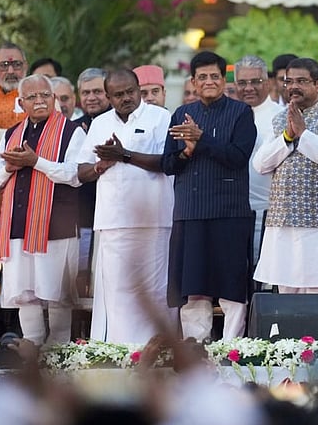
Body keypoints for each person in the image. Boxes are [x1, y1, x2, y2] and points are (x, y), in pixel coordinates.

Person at [162, 51, 257, 342]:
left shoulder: (241, 113)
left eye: (214, 76)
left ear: (223, 80)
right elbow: (168, 165)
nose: (208, 81)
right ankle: (195, 347)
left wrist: (201, 139)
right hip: (190, 212)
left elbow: (238, 157)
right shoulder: (180, 114)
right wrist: (187, 151)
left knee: (231, 286)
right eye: (202, 77)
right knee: (193, 288)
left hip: (229, 212)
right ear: (193, 81)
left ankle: (231, 347)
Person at [0, 75, 86, 346]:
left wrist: (36, 161)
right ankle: (32, 345)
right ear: (21, 103)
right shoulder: (10, 134)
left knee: (57, 295)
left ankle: (59, 350)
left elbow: (75, 174)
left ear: (53, 99)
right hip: (19, 225)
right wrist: (9, 167)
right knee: (25, 293)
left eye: (45, 95)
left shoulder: (72, 131)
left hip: (57, 226)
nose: (39, 101)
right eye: (32, 97)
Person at [77, 69, 176, 343]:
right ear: (108, 97)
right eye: (118, 95)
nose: (126, 98)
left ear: (138, 89)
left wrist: (125, 155)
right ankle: (118, 349)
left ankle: (156, 348)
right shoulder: (100, 123)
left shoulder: (160, 117)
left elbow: (167, 162)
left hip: (154, 218)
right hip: (113, 220)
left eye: (131, 91)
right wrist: (101, 165)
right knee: (116, 289)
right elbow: (81, 171)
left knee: (155, 289)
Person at [252, 57, 318, 293]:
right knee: (286, 297)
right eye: (289, 81)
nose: (293, 86)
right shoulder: (279, 119)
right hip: (283, 221)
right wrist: (287, 136)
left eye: (301, 81)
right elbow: (260, 164)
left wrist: (304, 134)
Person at [234, 55, 283, 265]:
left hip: (270, 212)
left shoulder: (281, 117)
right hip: (233, 211)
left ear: (268, 83)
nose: (249, 88)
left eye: (256, 81)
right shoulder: (229, 115)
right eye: (242, 83)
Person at [72, 68, 110, 291]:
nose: (91, 97)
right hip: (82, 213)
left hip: (113, 213)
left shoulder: (118, 122)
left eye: (97, 91)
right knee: (80, 275)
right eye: (86, 92)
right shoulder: (73, 127)